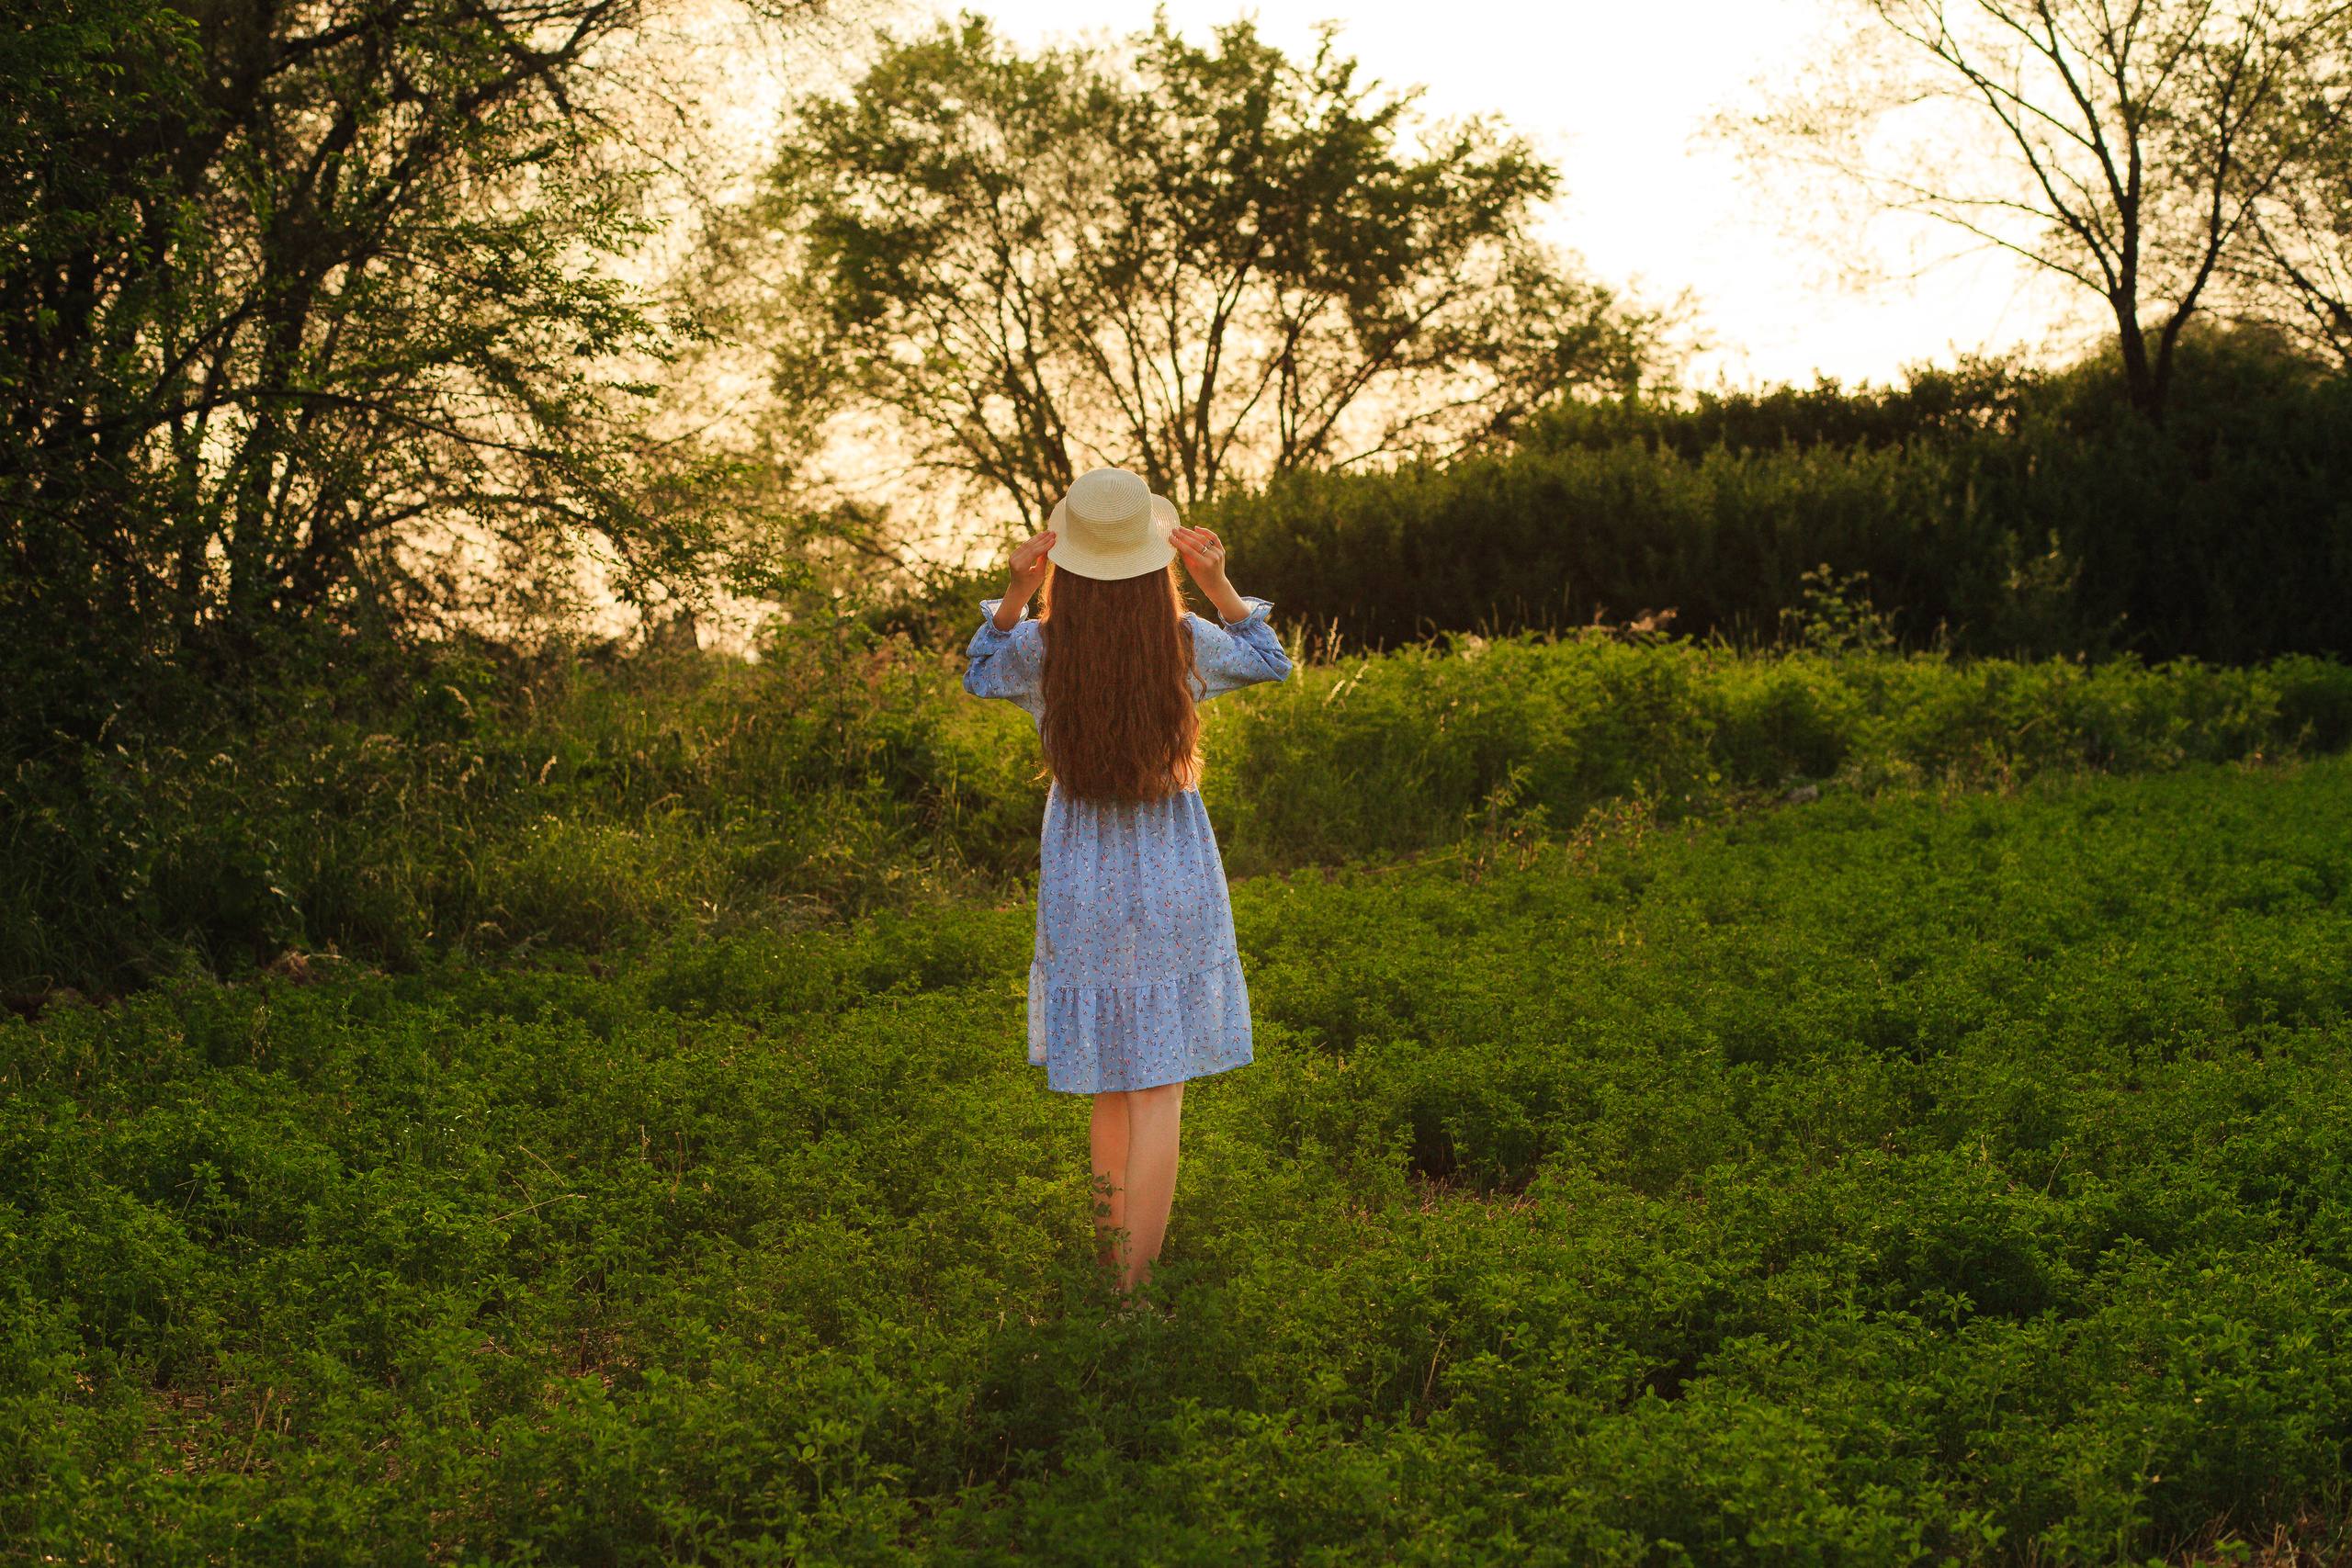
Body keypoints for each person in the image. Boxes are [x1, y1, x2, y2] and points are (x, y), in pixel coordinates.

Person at [963, 467, 1291, 1292]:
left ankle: (1115, 1280)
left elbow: (980, 667)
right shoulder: (1181, 642)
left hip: (1082, 878)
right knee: (1158, 1091)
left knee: (1112, 1086)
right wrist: (1218, 582)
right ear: (1156, 563)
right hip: (1172, 871)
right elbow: (1270, 658)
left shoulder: (1040, 649)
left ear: (1067, 561)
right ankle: (1131, 1298)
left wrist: (1013, 592)